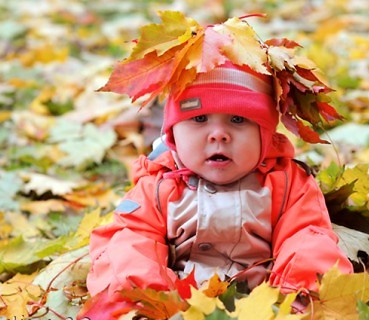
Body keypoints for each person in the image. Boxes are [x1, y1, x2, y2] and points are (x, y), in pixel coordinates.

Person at [86, 14, 353, 303]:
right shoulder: (158, 187)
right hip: (177, 303)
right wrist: (150, 300)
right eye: (199, 118)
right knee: (125, 252)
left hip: (263, 305)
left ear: (266, 134)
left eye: (238, 119)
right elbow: (129, 242)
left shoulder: (287, 185)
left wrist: (296, 298)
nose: (219, 135)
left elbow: (308, 239)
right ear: (173, 133)